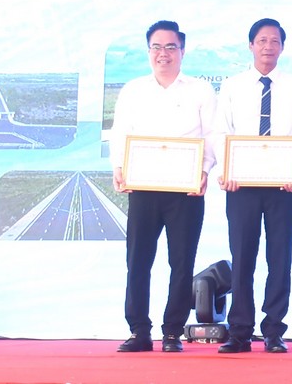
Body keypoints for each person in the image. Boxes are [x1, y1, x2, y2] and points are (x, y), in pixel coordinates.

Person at [110, 20, 216, 353]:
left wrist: (204, 170)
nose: (163, 53)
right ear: (148, 51)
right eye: (157, 47)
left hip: (186, 190)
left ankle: (172, 333)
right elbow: (120, 132)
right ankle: (139, 331)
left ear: (182, 51)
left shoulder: (200, 90)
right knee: (138, 260)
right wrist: (119, 167)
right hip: (143, 187)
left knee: (181, 262)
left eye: (171, 47)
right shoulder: (133, 90)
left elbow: (212, 135)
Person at [213, 18, 292, 354]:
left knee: (279, 258)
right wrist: (227, 169)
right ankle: (240, 331)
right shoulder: (232, 86)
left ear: (282, 47)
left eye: (274, 41)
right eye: (261, 40)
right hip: (241, 185)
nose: (268, 46)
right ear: (251, 45)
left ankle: (274, 331)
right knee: (242, 257)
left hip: (284, 186)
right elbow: (221, 131)